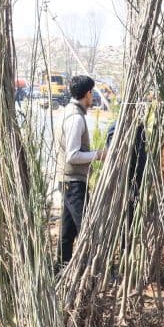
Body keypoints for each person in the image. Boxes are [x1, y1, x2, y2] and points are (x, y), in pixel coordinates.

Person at [58, 75, 106, 264]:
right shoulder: (76, 118)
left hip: (67, 180)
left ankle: (62, 268)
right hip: (74, 182)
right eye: (92, 93)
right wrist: (99, 154)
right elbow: (73, 155)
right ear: (87, 93)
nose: (92, 97)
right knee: (87, 229)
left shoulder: (67, 112)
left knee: (67, 232)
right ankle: (92, 270)